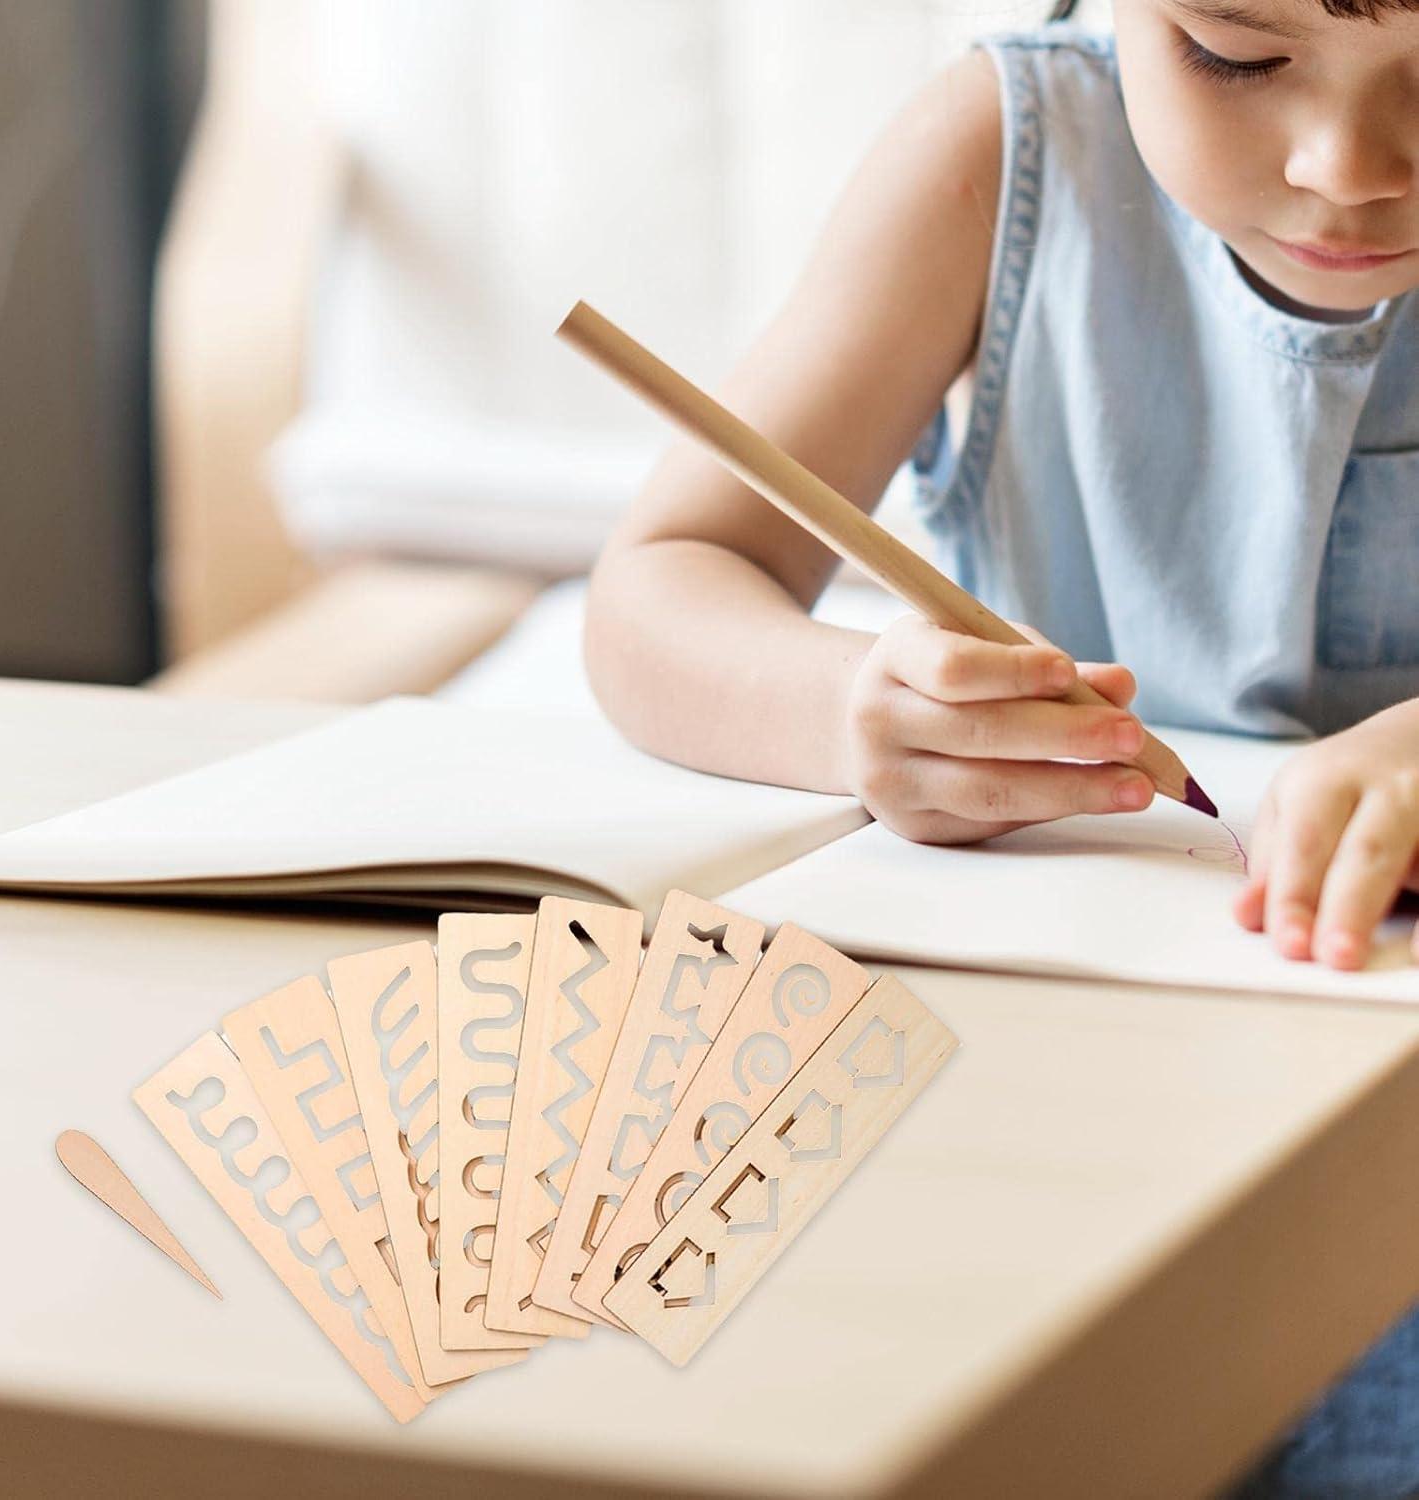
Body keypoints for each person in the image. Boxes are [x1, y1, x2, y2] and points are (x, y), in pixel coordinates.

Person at [583, 2, 1419, 1493]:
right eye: (1235, 51)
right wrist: (851, 712)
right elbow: (664, 583)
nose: (1348, 166)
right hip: (1063, 1094)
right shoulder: (999, 152)